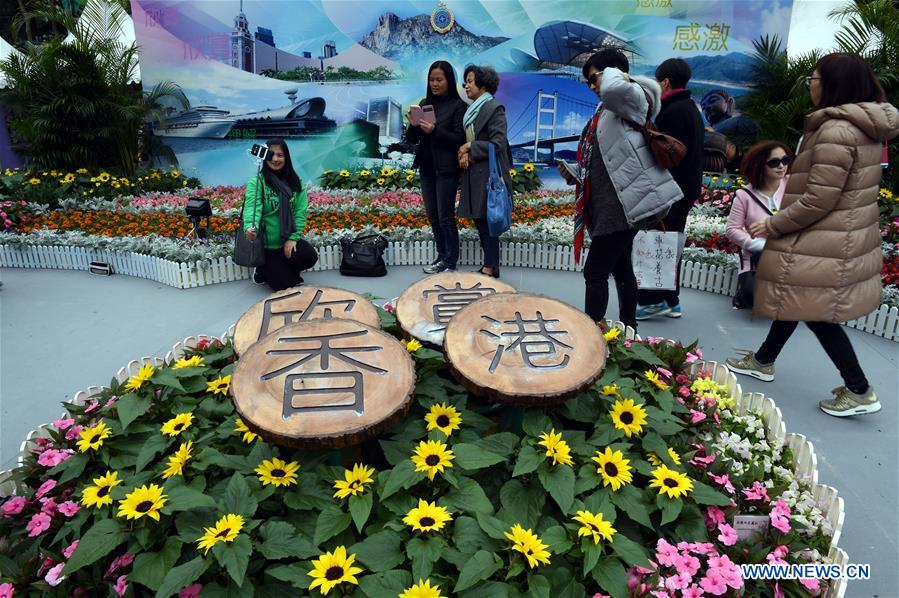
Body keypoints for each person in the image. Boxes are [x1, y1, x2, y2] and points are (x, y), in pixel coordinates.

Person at [725, 53, 898, 417]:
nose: (810, 86)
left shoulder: (836, 130)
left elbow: (821, 198)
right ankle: (764, 359)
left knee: (817, 313)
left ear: (833, 84)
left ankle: (859, 389)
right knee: (799, 297)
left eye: (814, 79)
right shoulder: (863, 125)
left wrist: (774, 223)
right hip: (838, 233)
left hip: (823, 235)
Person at [557, 48, 683, 330]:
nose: (592, 86)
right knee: (621, 267)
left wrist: (612, 72)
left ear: (614, 72)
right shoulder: (606, 109)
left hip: (623, 205)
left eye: (594, 78)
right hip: (612, 203)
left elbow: (613, 88)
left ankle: (593, 336)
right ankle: (629, 327)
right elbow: (605, 161)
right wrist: (575, 173)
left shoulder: (633, 97)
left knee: (595, 271)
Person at [635, 58, 705, 320]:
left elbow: (664, 156)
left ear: (664, 82)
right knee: (670, 241)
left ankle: (653, 300)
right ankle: (670, 299)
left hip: (670, 191)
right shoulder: (689, 108)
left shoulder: (673, 112)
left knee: (658, 241)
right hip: (685, 189)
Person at [406, 60, 467, 274]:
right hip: (427, 169)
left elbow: (459, 139)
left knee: (445, 217)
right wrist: (413, 126)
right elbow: (412, 139)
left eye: (439, 79)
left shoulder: (459, 107)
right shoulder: (424, 104)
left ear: (449, 80)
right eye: (431, 80)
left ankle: (450, 260)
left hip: (447, 171)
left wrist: (435, 130)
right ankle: (441, 256)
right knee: (433, 216)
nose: (434, 83)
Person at [457, 65, 513, 278]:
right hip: (475, 173)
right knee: (481, 221)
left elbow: (497, 143)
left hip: (488, 175)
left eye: (470, 81)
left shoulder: (494, 108)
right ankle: (490, 264)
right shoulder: (474, 110)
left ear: (483, 84)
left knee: (488, 220)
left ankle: (491, 266)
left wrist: (471, 147)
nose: (466, 85)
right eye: (466, 81)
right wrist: (465, 150)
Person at [243, 138, 318, 292]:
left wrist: (292, 238)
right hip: (268, 246)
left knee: (309, 256)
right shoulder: (257, 183)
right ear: (265, 157)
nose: (276, 159)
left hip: (286, 240)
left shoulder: (296, 184)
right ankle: (262, 269)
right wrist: (250, 227)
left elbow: (299, 212)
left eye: (280, 155)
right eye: (271, 155)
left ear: (286, 158)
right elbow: (253, 208)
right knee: (285, 287)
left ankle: (283, 268)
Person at [725, 141, 792, 283]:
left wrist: (772, 224)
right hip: (756, 259)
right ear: (760, 164)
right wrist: (760, 245)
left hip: (790, 255)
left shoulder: (794, 185)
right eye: (774, 162)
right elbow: (732, 229)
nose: (781, 166)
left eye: (785, 160)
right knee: (756, 294)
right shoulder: (744, 195)